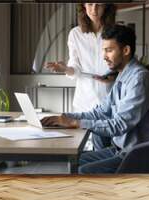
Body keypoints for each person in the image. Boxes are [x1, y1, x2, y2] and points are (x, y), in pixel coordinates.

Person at [41, 25, 149, 174]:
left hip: (138, 154)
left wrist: (75, 123)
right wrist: (64, 117)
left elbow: (119, 125)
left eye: (109, 50)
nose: (104, 56)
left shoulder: (140, 79)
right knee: (73, 162)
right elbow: (100, 112)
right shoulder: (122, 76)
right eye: (103, 50)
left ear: (125, 50)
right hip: (121, 150)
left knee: (85, 170)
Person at [46, 3, 117, 151]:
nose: (94, 9)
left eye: (99, 4)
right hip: (85, 100)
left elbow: (122, 64)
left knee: (107, 149)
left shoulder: (114, 32)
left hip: (109, 99)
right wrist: (65, 68)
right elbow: (75, 69)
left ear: (106, 7)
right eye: (90, 3)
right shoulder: (75, 34)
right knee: (83, 149)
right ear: (83, 6)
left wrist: (114, 76)